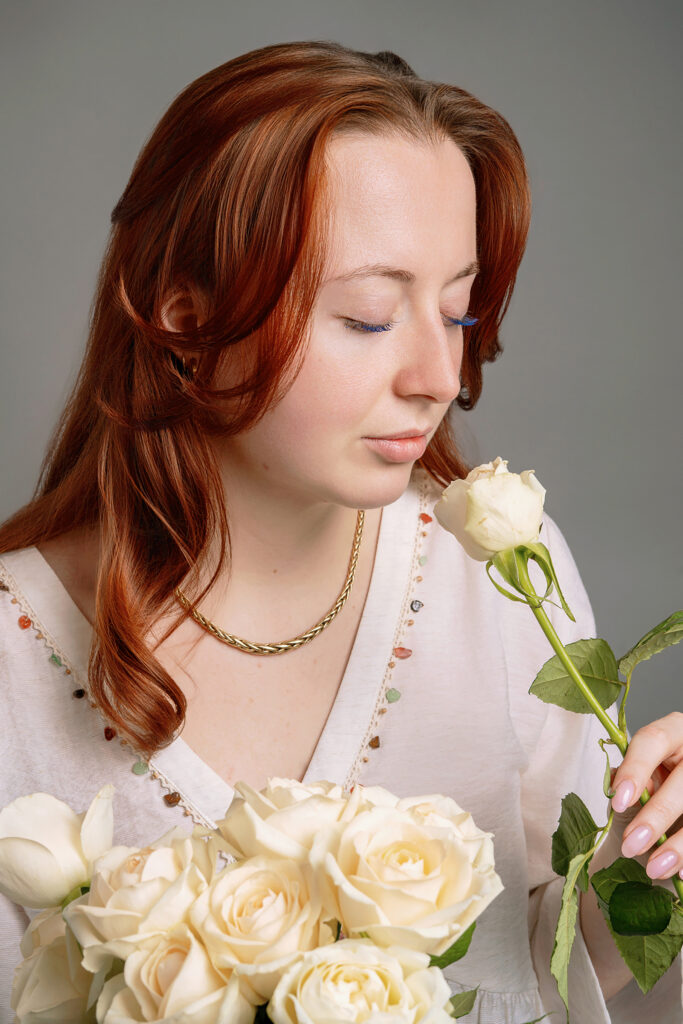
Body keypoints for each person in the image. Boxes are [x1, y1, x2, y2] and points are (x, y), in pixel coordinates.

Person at [0, 40, 681, 1023]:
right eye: (367, 316)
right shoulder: (16, 663)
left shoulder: (501, 574)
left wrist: (645, 874)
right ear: (188, 322)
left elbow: (540, 970)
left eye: (454, 310)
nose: (437, 377)